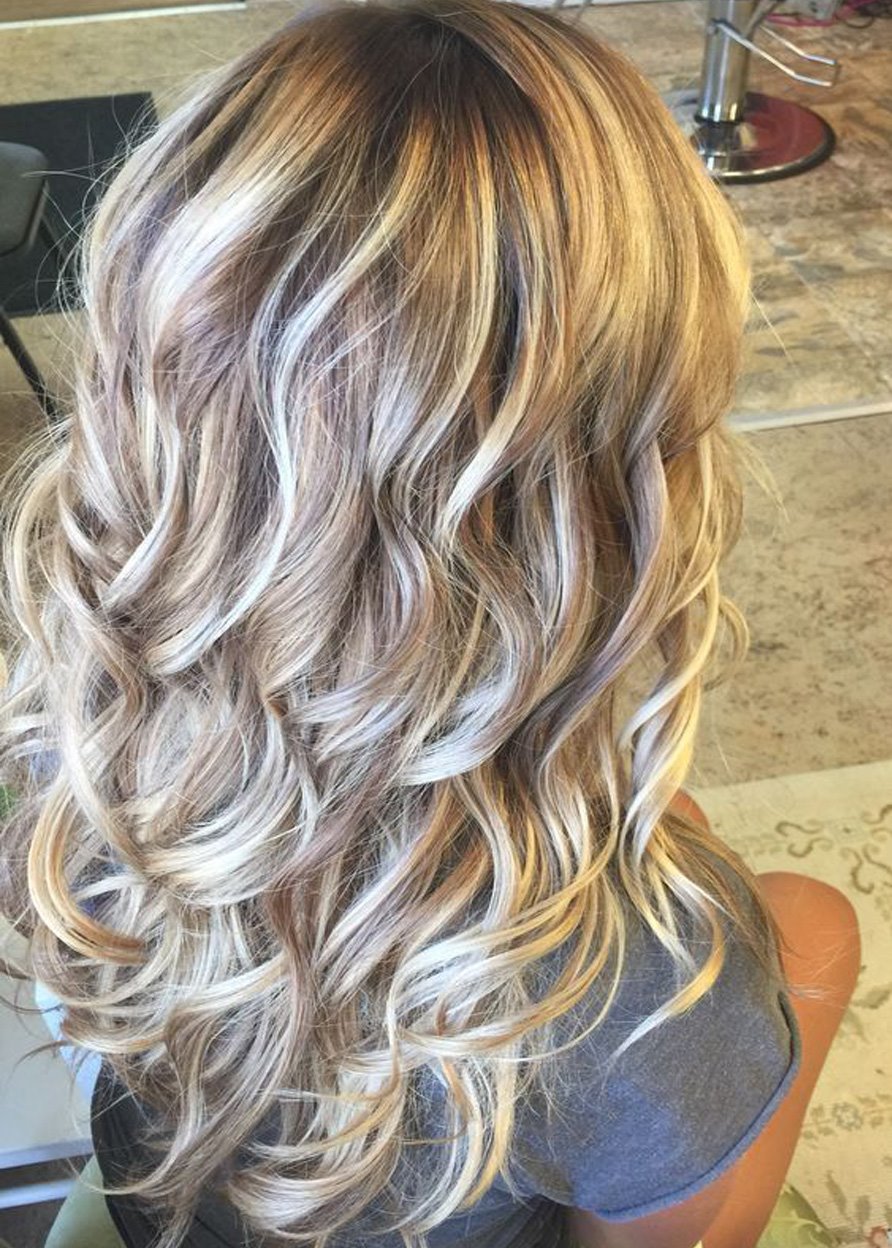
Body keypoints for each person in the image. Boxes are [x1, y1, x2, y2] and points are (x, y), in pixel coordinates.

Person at [0, 1, 861, 1246]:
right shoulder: (642, 985)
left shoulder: (63, 732)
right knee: (815, 923)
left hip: (162, 1208)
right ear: (634, 495)